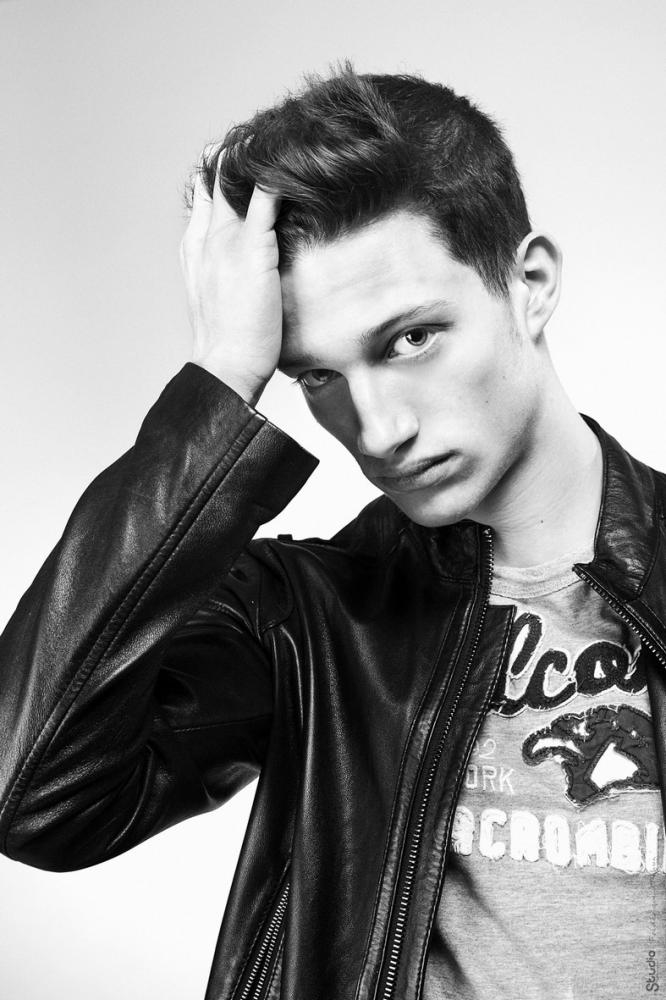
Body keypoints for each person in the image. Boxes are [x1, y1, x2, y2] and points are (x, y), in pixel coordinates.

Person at [0, 61, 664, 1000]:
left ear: (530, 284)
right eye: (318, 376)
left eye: (411, 339)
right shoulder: (309, 620)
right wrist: (221, 378)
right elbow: (30, 794)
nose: (379, 430)